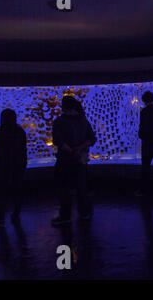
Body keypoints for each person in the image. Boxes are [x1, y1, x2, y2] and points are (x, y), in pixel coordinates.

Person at [51, 96, 96, 226]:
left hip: (65, 159)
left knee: (64, 188)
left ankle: (65, 215)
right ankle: (84, 213)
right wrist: (79, 149)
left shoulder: (59, 121)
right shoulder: (83, 120)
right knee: (81, 186)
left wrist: (71, 151)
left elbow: (58, 141)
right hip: (80, 159)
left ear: (63, 106)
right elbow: (91, 139)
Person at [0, 109, 27, 228]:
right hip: (18, 165)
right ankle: (16, 214)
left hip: (2, 166)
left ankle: (0, 218)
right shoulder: (20, 132)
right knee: (18, 189)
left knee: (1, 191)